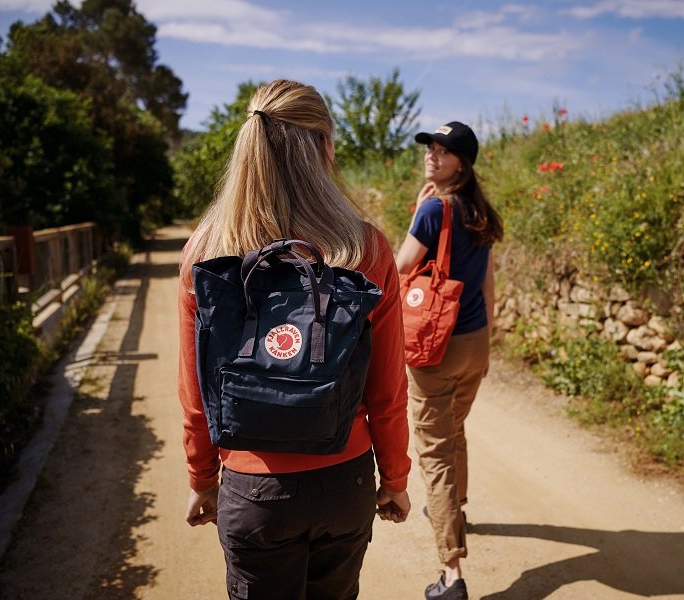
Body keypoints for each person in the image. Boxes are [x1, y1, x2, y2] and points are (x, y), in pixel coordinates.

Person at [177, 79, 411, 599]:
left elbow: (196, 394)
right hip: (344, 479)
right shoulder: (362, 246)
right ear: (325, 146)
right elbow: (388, 388)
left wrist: (201, 478)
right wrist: (393, 477)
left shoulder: (207, 249)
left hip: (252, 487)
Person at [396, 121, 503, 600]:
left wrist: (418, 212)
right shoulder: (480, 209)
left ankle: (452, 575)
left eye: (443, 151)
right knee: (454, 428)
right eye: (430, 148)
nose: (432, 156)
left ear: (462, 161)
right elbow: (487, 283)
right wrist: (487, 335)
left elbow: (399, 267)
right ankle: (455, 505)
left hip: (434, 346)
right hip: (474, 341)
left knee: (434, 452)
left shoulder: (433, 209)